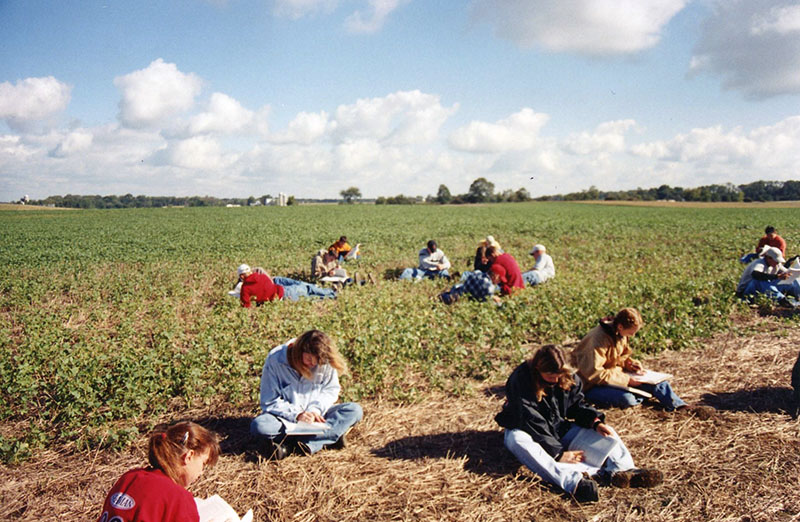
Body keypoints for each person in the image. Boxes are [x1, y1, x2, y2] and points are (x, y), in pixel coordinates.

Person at [495, 345, 662, 503]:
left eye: (558, 375)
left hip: (558, 428)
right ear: (538, 369)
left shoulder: (568, 377)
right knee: (517, 441)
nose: (555, 379)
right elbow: (530, 419)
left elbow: (577, 406)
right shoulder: (521, 379)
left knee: (606, 431)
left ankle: (622, 471)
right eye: (550, 375)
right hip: (525, 430)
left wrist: (594, 421)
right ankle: (573, 483)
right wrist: (558, 454)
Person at [250, 330, 363, 459]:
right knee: (260, 426)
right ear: (298, 351)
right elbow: (269, 401)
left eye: (317, 361)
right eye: (309, 359)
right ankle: (326, 438)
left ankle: (291, 447)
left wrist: (315, 410)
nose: (313, 364)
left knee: (354, 410)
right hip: (285, 420)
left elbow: (330, 390)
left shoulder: (323, 359)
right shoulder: (275, 359)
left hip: (317, 418)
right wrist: (297, 415)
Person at [571, 308, 701, 412]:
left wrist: (630, 364)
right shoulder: (597, 340)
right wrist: (627, 381)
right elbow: (594, 373)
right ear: (621, 326)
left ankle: (679, 406)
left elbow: (620, 357)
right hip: (592, 385)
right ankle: (642, 396)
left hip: (615, 376)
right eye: (631, 333)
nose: (632, 336)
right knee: (627, 399)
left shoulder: (619, 333)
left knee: (661, 384)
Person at [97, 421, 220, 522]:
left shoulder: (129, 478)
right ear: (189, 456)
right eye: (203, 464)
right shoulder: (177, 498)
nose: (201, 472)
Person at [236, 264, 337, 304]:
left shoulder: (245, 289)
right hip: (286, 290)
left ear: (241, 276)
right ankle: (332, 292)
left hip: (285, 298)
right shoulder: (262, 276)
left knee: (310, 299)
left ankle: (330, 297)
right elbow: (269, 284)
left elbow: (246, 305)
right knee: (308, 289)